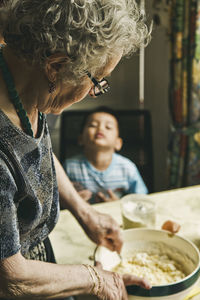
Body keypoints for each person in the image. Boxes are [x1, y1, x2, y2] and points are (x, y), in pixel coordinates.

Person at [0, 0, 152, 299]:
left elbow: (33, 157)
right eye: (98, 80)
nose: (95, 91)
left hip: (39, 260)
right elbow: (11, 278)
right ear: (55, 66)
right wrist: (95, 279)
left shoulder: (24, 79)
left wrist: (84, 212)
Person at [63, 106, 148, 204]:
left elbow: (141, 200)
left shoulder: (127, 168)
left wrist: (118, 205)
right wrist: (71, 202)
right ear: (80, 139)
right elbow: (57, 200)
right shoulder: (69, 167)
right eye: (93, 125)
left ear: (118, 143)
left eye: (108, 127)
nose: (100, 128)